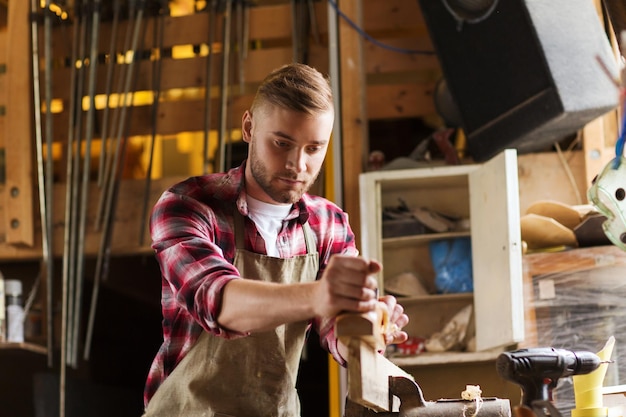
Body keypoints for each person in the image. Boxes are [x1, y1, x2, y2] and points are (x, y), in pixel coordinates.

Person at [142, 62, 409, 417]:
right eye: (282, 143)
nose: (297, 165)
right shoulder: (188, 205)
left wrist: (370, 326)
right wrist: (320, 295)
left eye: (314, 149)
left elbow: (337, 330)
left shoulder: (327, 224)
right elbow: (219, 302)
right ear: (249, 126)